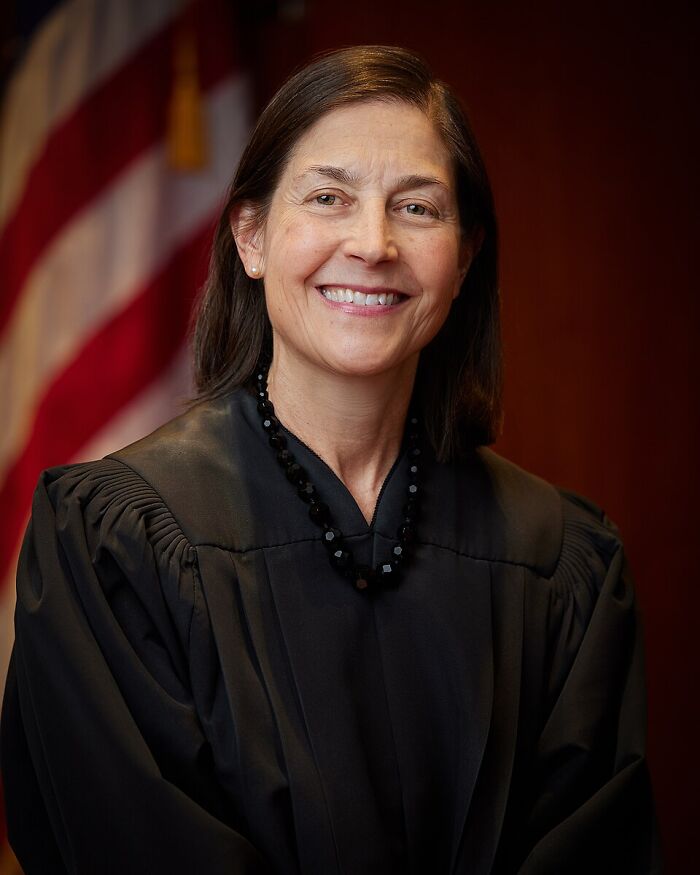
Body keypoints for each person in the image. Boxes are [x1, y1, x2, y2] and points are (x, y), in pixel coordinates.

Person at [1, 46, 660, 874]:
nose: (374, 243)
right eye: (327, 198)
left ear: (464, 258)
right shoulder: (113, 546)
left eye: (417, 208)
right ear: (251, 236)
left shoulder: (564, 565)